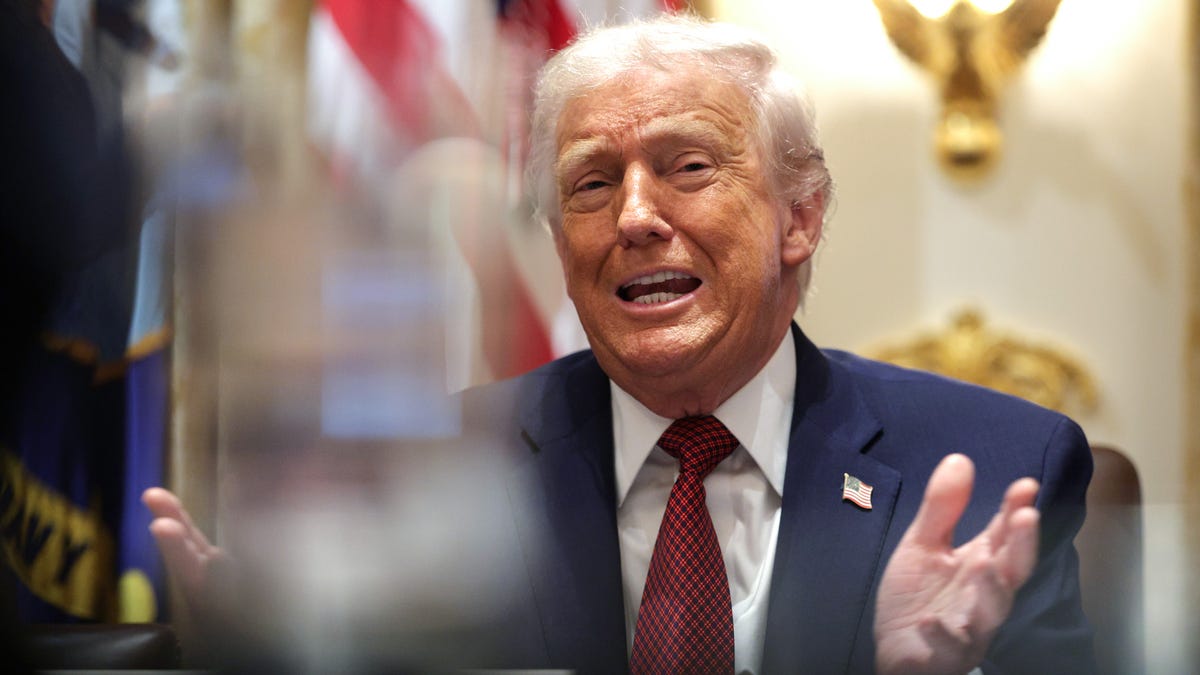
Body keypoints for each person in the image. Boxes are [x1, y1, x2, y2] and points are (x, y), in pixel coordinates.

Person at [145, 15, 1095, 674]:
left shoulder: (996, 470)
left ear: (798, 217)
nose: (635, 216)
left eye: (686, 167)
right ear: (558, 244)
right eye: (591, 185)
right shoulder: (434, 468)